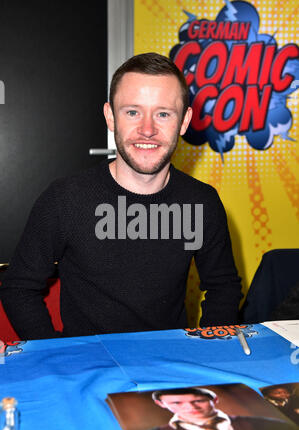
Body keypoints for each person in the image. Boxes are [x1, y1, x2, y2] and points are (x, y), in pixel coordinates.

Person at [0, 52, 242, 340]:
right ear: (110, 117)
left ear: (185, 121)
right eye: (132, 112)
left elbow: (223, 286)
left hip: (169, 367)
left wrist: (206, 348)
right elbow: (19, 288)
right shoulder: (65, 199)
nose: (148, 130)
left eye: (163, 113)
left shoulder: (203, 202)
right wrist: (60, 356)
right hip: (89, 369)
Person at [132, 387, 299, 430]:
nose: (191, 407)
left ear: (215, 400)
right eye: (177, 402)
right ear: (161, 404)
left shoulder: (273, 427)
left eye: (199, 400)